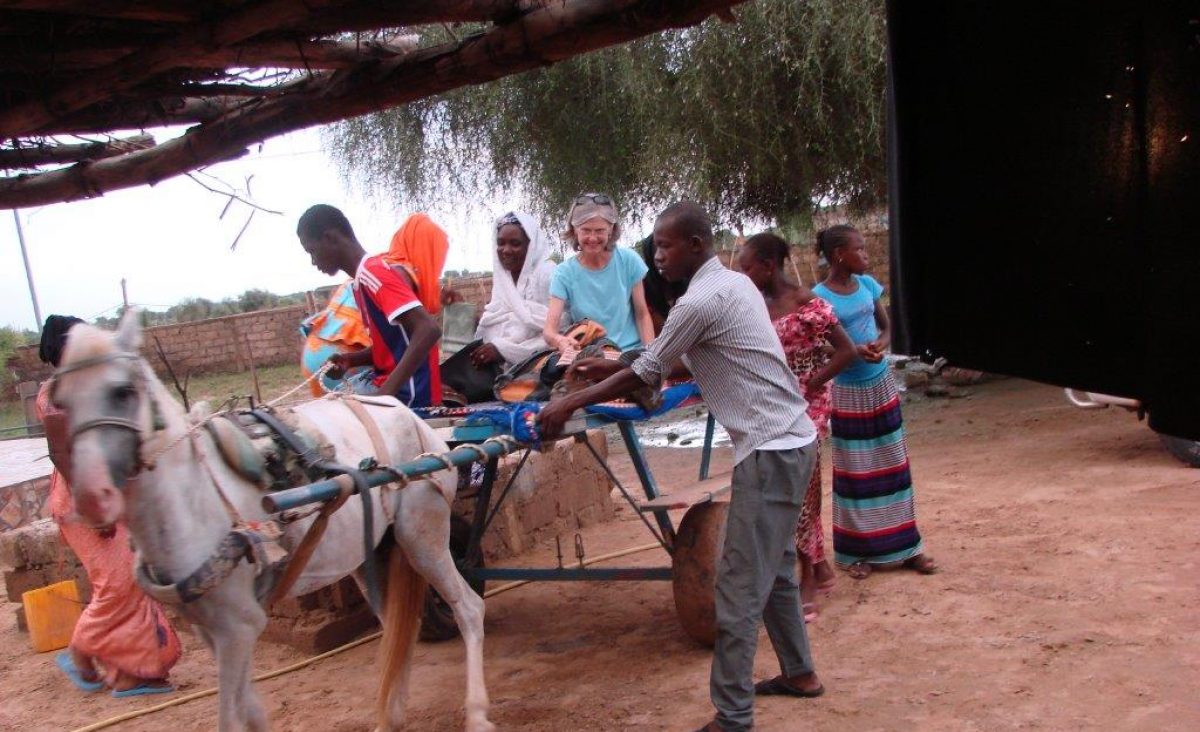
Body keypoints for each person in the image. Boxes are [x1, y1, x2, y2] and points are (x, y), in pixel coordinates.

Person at [540, 203, 825, 732]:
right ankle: (800, 673)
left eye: (665, 247)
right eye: (655, 248)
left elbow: (652, 367)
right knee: (778, 569)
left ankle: (733, 717)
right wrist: (620, 365)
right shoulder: (735, 285)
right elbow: (672, 357)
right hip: (792, 442)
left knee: (737, 588)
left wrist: (566, 404)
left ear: (696, 243)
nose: (658, 259)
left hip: (769, 451)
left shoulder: (701, 300)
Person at [36, 315, 181, 697]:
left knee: (132, 582)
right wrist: (92, 508)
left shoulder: (89, 382)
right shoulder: (57, 392)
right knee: (118, 585)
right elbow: (61, 454)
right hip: (82, 500)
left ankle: (135, 673)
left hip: (104, 493)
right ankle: (80, 652)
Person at [737, 233, 855, 621]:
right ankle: (818, 565)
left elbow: (846, 351)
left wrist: (813, 382)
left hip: (811, 405)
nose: (742, 272)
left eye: (747, 265)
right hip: (775, 406)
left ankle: (807, 577)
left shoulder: (805, 303)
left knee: (804, 491)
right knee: (786, 488)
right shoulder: (754, 305)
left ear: (768, 266)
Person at [811, 224, 938, 578]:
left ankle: (909, 547)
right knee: (856, 472)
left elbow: (886, 326)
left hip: (880, 385)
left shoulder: (867, 286)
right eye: (860, 249)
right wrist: (850, 352)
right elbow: (817, 345)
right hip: (848, 392)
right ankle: (856, 553)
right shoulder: (818, 297)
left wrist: (880, 345)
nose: (866, 255)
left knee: (894, 465)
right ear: (839, 254)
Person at [296, 205, 444, 407]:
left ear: (330, 238)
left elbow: (428, 330)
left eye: (312, 250)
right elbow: (394, 347)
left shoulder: (374, 273)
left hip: (409, 396)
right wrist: (351, 360)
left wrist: (386, 393)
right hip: (394, 389)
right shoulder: (360, 282)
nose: (313, 261)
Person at [542, 193, 654, 353]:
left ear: (611, 229)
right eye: (586, 230)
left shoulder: (629, 260)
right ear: (574, 231)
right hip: (591, 355)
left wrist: (652, 358)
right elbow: (549, 331)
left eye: (599, 231)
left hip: (630, 354)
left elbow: (642, 315)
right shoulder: (563, 273)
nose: (592, 238)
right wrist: (560, 340)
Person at [471, 211, 559, 368]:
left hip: (544, 372)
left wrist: (505, 350)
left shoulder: (547, 275)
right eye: (501, 243)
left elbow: (562, 330)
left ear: (531, 246)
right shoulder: (503, 282)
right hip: (503, 374)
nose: (505, 250)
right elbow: (498, 321)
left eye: (515, 243)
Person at [637, 233, 688, 335]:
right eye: (656, 251)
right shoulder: (642, 286)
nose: (660, 257)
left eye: (667, 249)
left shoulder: (687, 282)